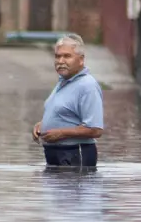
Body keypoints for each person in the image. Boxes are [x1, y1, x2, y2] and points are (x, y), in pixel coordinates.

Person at [32, 33, 104, 168]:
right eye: (57, 56)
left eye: (67, 56)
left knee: (70, 189)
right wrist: (42, 125)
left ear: (81, 60)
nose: (60, 61)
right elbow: (65, 115)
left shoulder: (87, 86)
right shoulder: (63, 83)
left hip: (75, 153)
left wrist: (61, 133)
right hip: (54, 153)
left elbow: (95, 129)